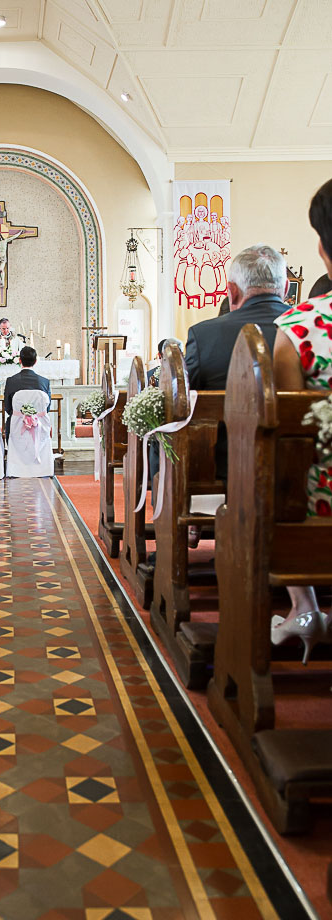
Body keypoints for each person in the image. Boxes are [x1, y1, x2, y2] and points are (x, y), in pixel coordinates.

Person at [270, 178, 332, 661]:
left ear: (322, 248)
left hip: (319, 510)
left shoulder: (300, 328)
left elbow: (284, 437)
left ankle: (304, 607)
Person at [184, 244, 289, 481]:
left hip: (227, 469)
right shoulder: (309, 328)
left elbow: (183, 405)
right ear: (285, 288)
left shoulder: (204, 336)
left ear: (231, 291)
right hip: (301, 467)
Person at [4, 345, 51, 442]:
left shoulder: (11, 381)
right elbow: (47, 408)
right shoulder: (44, 381)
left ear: (20, 360)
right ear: (35, 361)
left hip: (17, 426)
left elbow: (8, 408)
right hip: (39, 426)